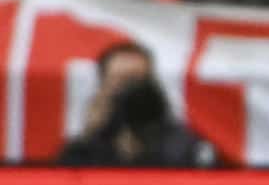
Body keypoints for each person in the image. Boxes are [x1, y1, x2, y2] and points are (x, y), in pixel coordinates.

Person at [56, 40, 218, 167]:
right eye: (121, 80)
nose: (130, 90)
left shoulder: (184, 146)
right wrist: (90, 136)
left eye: (137, 80)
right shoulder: (86, 148)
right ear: (103, 86)